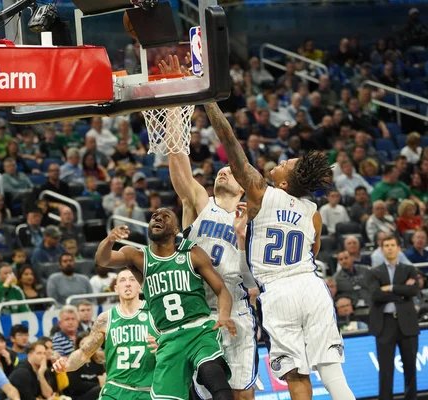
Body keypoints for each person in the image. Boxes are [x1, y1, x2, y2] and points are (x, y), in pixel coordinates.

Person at [204, 99, 354, 399]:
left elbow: (230, 142)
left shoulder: (261, 192)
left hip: (278, 291)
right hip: (311, 286)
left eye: (286, 165)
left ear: (284, 184)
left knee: (296, 375)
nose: (282, 161)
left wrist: (209, 103)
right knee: (332, 372)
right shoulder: (313, 212)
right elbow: (313, 252)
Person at [95, 208, 237, 400]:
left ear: (175, 229)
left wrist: (224, 315)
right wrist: (109, 240)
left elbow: (221, 290)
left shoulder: (191, 253)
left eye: (165, 216)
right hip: (168, 339)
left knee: (213, 375)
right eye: (154, 216)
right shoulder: (138, 257)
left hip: (198, 331)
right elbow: (103, 259)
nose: (158, 218)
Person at [53, 268, 157, 400]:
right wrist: (67, 365)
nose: (128, 283)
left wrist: (162, 347)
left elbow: (173, 346)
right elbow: (85, 352)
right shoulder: (105, 319)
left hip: (147, 389)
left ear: (140, 286)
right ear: (116, 288)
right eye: (123, 280)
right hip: (115, 389)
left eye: (132, 279)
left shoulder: (154, 313)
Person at [369, 236, 420, 400]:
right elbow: (376, 295)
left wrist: (390, 288)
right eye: (386, 245)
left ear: (398, 248)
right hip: (385, 323)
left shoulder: (409, 269)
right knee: (385, 369)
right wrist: (401, 293)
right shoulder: (374, 272)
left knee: (411, 367)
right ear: (382, 250)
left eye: (393, 245)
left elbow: (413, 291)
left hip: (407, 322)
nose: (390, 248)